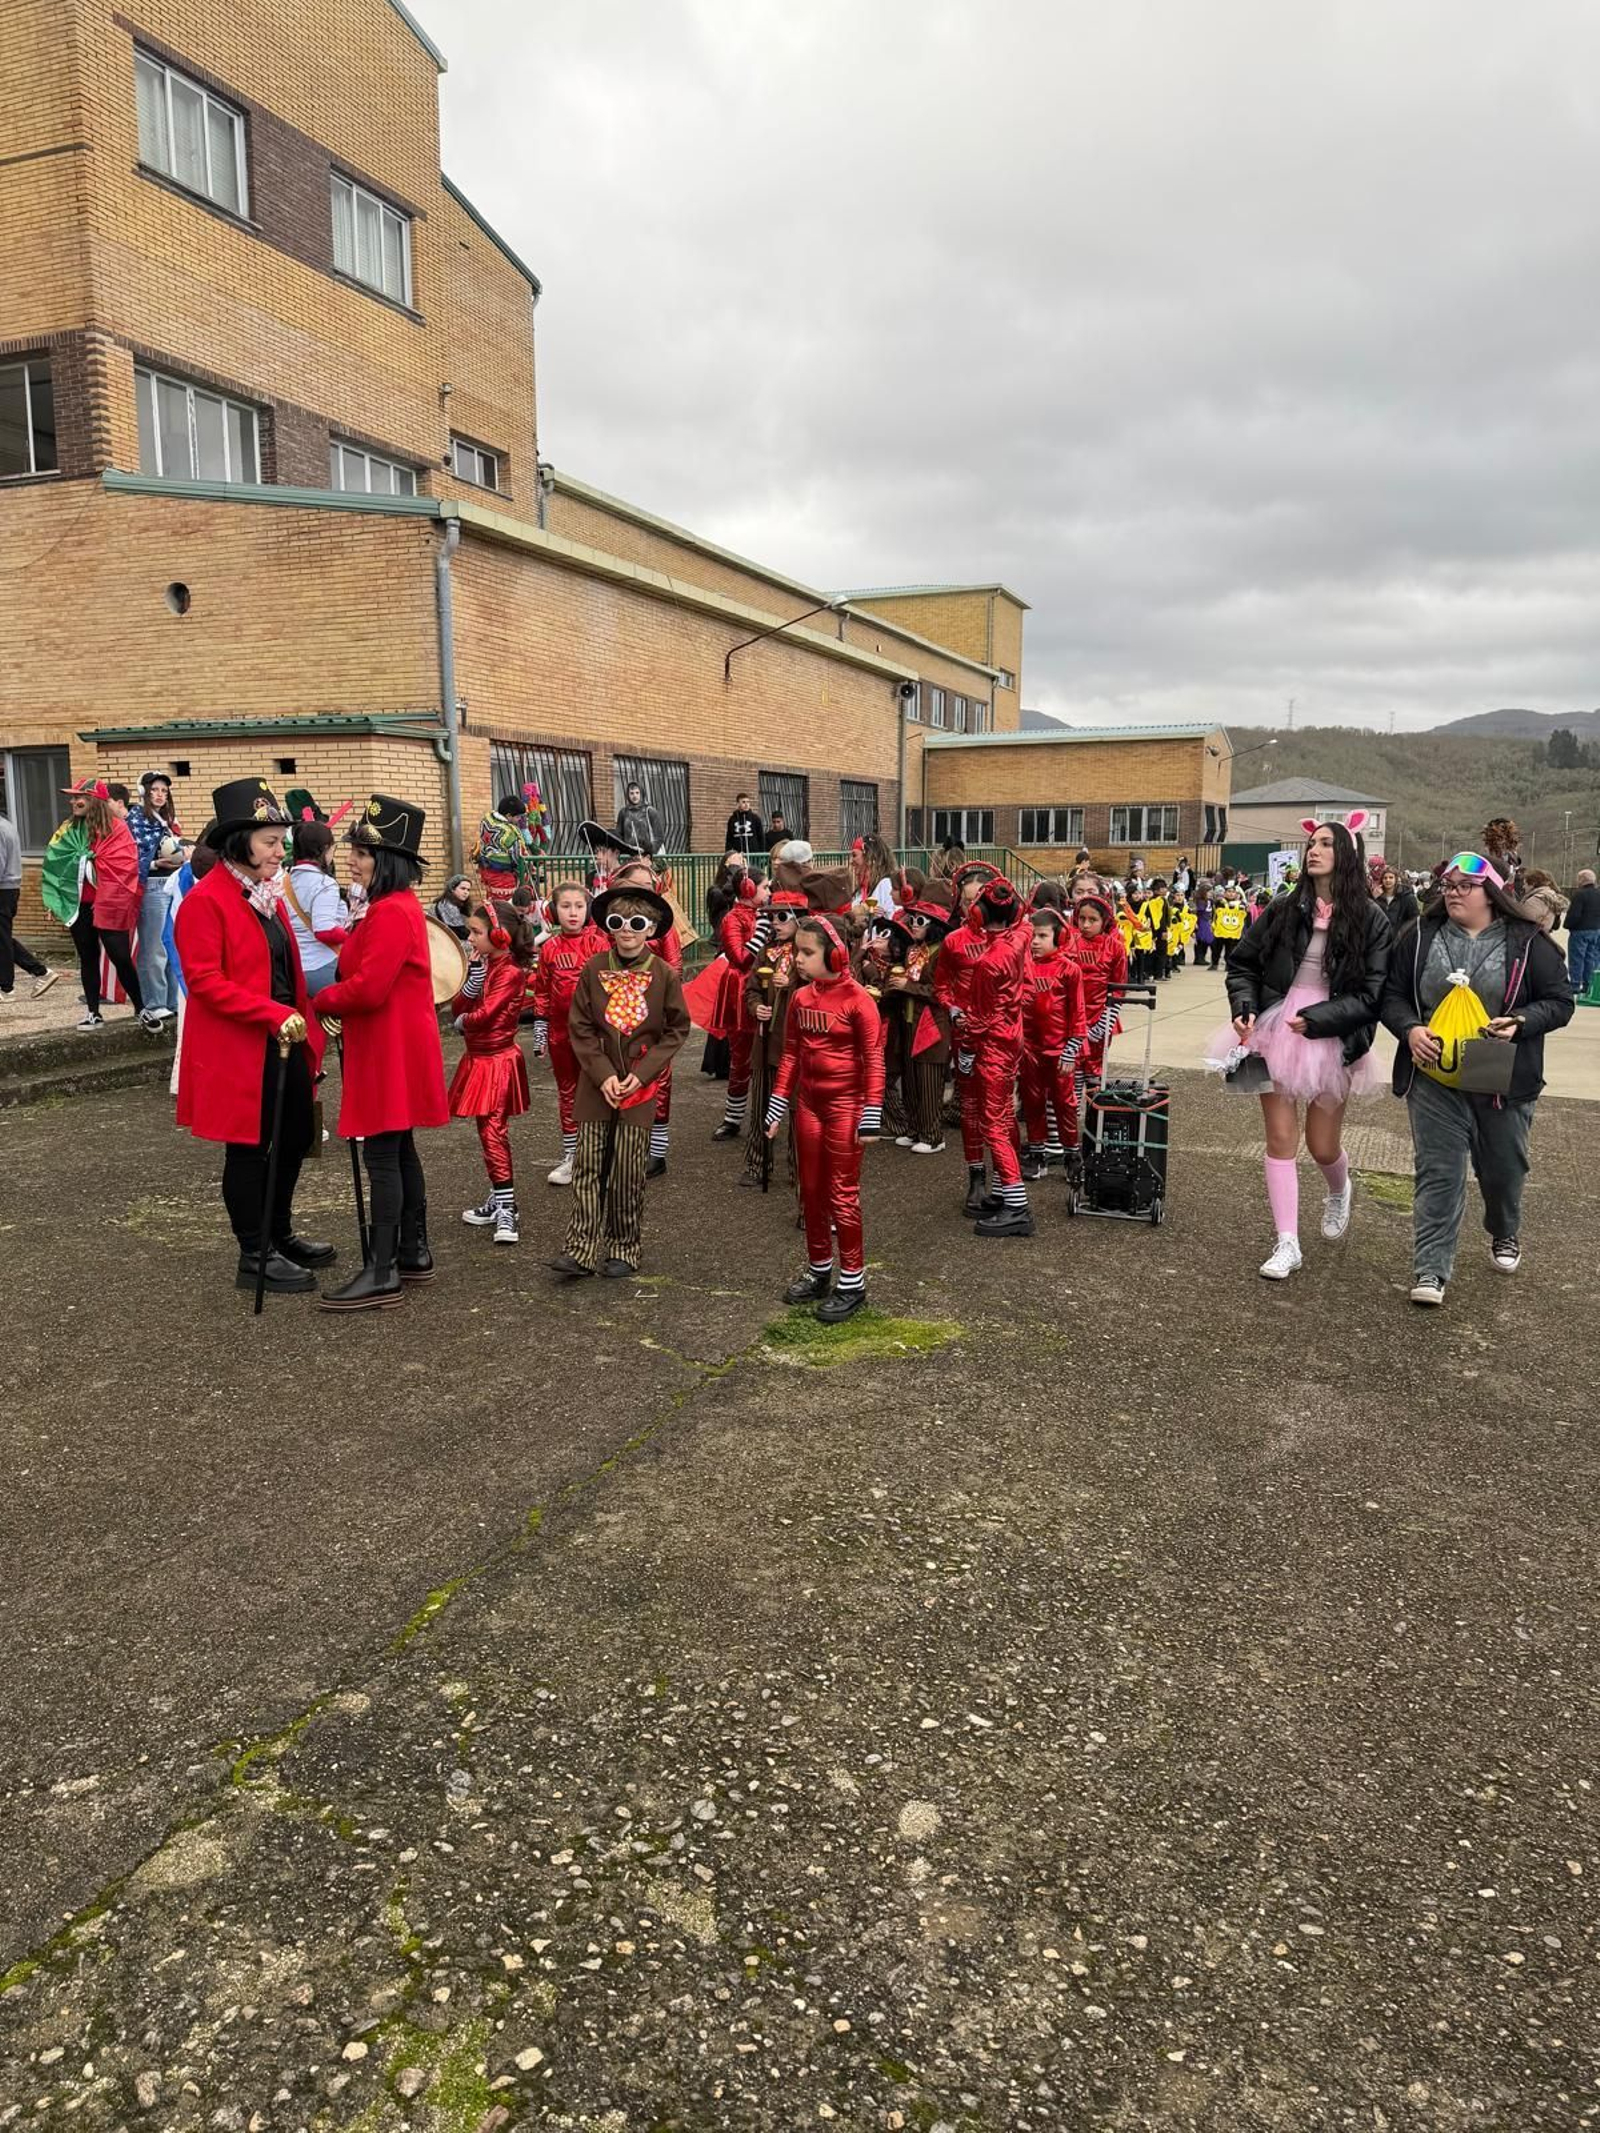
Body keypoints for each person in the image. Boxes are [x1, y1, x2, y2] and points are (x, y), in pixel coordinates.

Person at [1381, 851, 1575, 1305]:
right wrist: (1409, 1029)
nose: (1452, 893)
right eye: (1447, 885)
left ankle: (1504, 1229)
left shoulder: (1528, 942)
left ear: (1491, 892)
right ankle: (1431, 1270)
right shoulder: (1419, 937)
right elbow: (1390, 996)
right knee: (1439, 1172)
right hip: (1434, 1075)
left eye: (1463, 886)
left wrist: (1522, 1021)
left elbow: (1560, 1001)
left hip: (1500, 1077)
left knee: (1503, 1171)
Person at [173, 778, 330, 1295]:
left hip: (284, 1040)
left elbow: (288, 965)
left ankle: (279, 1233)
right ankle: (253, 1252)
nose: (279, 851)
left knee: (291, 1139)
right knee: (248, 1148)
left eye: (281, 841)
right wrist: (268, 1013)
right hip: (241, 1047)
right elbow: (204, 981)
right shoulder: (205, 902)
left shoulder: (268, 895)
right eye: (269, 841)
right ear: (239, 842)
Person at [1220, 816, 1392, 1281]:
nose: (1313, 850)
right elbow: (1242, 965)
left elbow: (1373, 996)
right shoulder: (1282, 908)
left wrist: (1318, 1020)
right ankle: (1287, 1243)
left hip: (1332, 1032)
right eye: (1311, 843)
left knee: (1321, 1146)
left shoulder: (1372, 920)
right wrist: (1244, 1005)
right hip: (1275, 1027)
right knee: (1279, 1139)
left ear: (1347, 855)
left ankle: (1339, 1190)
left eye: (1325, 844)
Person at [312, 793, 450, 1311]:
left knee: (382, 1155)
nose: (353, 859)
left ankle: (383, 1267)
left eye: (363, 852)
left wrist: (323, 997)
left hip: (389, 1046)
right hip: (394, 1042)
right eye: (353, 850)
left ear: (386, 861)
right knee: (399, 1148)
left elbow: (368, 988)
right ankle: (412, 1252)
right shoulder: (393, 908)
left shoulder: (392, 912)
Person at [550, 881, 690, 1280]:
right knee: (588, 1167)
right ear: (608, 927)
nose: (626, 929)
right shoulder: (593, 969)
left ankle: (624, 1248)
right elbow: (579, 1027)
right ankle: (580, 1249)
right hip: (597, 1084)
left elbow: (676, 1030)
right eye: (618, 922)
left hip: (639, 1087)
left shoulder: (664, 975)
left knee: (629, 1171)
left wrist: (642, 1074)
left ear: (651, 929)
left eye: (636, 922)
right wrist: (603, 1074)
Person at [765, 916, 884, 1322]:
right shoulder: (800, 999)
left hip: (846, 1108)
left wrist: (871, 1113)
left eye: (807, 952)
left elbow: (874, 1060)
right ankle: (819, 1270)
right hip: (810, 1106)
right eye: (797, 950)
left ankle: (853, 1281)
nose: (797, 959)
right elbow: (791, 1054)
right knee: (810, 1192)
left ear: (833, 954)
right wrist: (779, 1100)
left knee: (842, 1194)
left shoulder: (859, 1001)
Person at [952, 875, 1035, 1238]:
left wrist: (967, 1051)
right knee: (1002, 1117)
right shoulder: (1019, 940)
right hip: (1012, 1038)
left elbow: (981, 1018)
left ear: (980, 913)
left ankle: (1016, 1205)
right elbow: (1027, 922)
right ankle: (1003, 1192)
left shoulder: (989, 963)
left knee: (994, 1123)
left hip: (993, 1046)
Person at [451, 898, 536, 1246]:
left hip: (496, 1063)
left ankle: (507, 1208)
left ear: (500, 936)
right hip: (480, 1058)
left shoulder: (511, 973)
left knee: (493, 1133)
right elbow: (461, 1002)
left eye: (476, 932)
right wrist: (472, 979)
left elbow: (482, 1014)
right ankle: (498, 1198)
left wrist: (462, 1021)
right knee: (488, 1132)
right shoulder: (487, 966)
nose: (470, 938)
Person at [529, 881, 607, 1184]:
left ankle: (599, 1153)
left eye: (579, 906)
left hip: (595, 1036)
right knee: (567, 1092)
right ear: (553, 911)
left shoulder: (599, 944)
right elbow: (543, 993)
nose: (573, 913)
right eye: (565, 906)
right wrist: (540, 1031)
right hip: (561, 1035)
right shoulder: (549, 948)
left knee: (599, 1091)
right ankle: (573, 1157)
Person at [73, 791, 159, 1031]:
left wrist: (92, 858)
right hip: (79, 903)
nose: (72, 802)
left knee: (120, 957)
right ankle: (93, 1012)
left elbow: (126, 862)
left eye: (78, 798)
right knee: (87, 957)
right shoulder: (69, 829)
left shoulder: (117, 828)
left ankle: (140, 1008)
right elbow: (58, 862)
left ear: (93, 801)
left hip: (109, 902)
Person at [741, 887, 807, 1188]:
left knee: (795, 1108)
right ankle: (758, 1163)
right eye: (772, 918)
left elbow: (815, 991)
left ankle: (799, 1168)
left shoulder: (807, 954)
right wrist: (757, 1008)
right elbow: (751, 988)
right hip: (765, 1040)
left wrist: (790, 985)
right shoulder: (766, 952)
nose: (776, 923)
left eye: (782, 917)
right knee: (760, 1106)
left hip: (793, 1043)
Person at [883, 883, 954, 1155]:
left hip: (932, 1025)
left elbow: (942, 991)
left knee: (929, 1082)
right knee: (911, 1082)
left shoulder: (942, 952)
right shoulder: (913, 951)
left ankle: (933, 1135)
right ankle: (915, 1129)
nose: (913, 924)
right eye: (911, 919)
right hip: (908, 1022)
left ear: (933, 925)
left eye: (919, 920)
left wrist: (907, 987)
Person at [1019, 905, 1087, 1182]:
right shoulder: (1021, 967)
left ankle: (1072, 1155)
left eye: (1042, 936)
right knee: (1032, 1103)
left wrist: (1071, 1050)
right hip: (1028, 1049)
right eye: (1032, 936)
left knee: (1064, 1104)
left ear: (1058, 937)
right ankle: (1037, 1155)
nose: (1035, 942)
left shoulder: (1070, 970)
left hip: (1060, 1051)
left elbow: (1078, 1014)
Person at [127, 771, 183, 1018]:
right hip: (152, 885)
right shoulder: (135, 818)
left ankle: (172, 1001)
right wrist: (153, 864)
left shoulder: (167, 820)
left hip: (172, 883)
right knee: (154, 947)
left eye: (164, 790)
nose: (160, 795)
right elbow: (130, 856)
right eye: (155, 790)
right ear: (144, 792)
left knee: (172, 944)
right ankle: (153, 1002)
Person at [1065, 892, 1127, 1099]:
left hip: (1101, 1017)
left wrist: (1104, 1023)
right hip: (1072, 1018)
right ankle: (1072, 1116)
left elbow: (1118, 989)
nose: (1085, 924)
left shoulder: (1115, 948)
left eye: (1093, 920)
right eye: (1082, 919)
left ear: (1104, 921)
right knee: (1071, 1069)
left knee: (1095, 1069)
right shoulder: (1069, 943)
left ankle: (1095, 1119)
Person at [283, 817, 350, 999]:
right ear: (324, 849)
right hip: (323, 965)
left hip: (295, 968)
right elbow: (324, 930)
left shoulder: (285, 880)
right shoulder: (324, 884)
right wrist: (353, 937)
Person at [0, 808, 57, 1003]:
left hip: (2, 889)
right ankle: (41, 972)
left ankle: (6, 988)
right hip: (9, 888)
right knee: (3, 938)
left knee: (2, 940)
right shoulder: (7, 825)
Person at [475, 795, 533, 897]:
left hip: (486, 868)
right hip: (503, 874)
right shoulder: (510, 832)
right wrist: (526, 868)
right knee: (505, 905)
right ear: (509, 815)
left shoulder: (487, 820)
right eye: (518, 817)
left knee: (491, 899)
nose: (519, 820)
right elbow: (517, 856)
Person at [1561, 868, 1600, 991]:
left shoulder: (1579, 894)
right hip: (1596, 930)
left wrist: (1567, 925)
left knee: (1577, 958)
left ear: (1582, 880)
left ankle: (1575, 984)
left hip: (1580, 931)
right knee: (1591, 958)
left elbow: (1574, 914)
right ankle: (1589, 984)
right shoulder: (1598, 893)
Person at [853, 833, 899, 921]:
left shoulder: (886, 885)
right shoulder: (861, 890)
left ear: (870, 858)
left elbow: (892, 920)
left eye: (854, 855)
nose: (852, 861)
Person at [615, 781, 666, 858]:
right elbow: (619, 835)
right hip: (630, 856)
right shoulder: (623, 812)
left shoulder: (650, 811)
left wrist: (651, 853)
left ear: (641, 793)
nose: (634, 796)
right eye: (631, 793)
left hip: (647, 856)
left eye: (637, 793)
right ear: (627, 795)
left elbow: (659, 837)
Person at [1374, 865, 1419, 933]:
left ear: (1396, 879)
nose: (1388, 880)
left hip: (1401, 938)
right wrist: (1374, 898)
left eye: (1391, 877)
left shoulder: (1407, 898)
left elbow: (1414, 919)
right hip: (1381, 937)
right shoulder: (1378, 898)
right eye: (1385, 878)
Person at [432, 874, 474, 941]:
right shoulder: (446, 905)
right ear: (452, 889)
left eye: (468, 890)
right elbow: (460, 932)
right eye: (463, 888)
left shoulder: (459, 903)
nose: (466, 892)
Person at [725, 793, 764, 864]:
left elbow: (761, 837)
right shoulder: (732, 819)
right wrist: (728, 855)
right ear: (737, 804)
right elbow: (729, 839)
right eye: (743, 802)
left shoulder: (755, 818)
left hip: (754, 855)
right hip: (738, 855)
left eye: (748, 802)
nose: (746, 804)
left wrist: (762, 855)